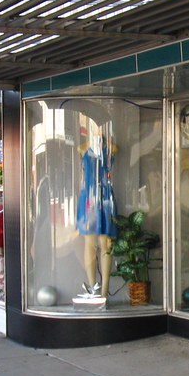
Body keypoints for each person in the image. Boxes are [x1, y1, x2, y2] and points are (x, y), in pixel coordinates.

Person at [76, 126, 116, 296]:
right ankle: (93, 288)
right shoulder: (83, 147)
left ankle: (105, 290)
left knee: (105, 244)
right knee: (90, 244)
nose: (97, 130)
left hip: (105, 197)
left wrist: (104, 139)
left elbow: (113, 150)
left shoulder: (111, 148)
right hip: (89, 198)